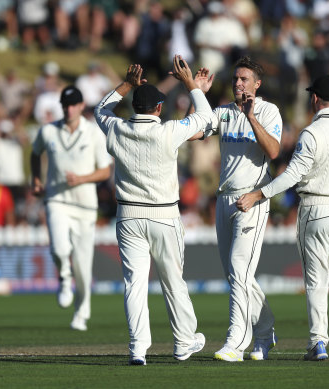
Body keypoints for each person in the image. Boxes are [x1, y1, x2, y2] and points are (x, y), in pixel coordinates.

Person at [238, 74, 329, 361]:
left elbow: (293, 175)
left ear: (314, 99)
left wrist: (259, 194)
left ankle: (318, 342)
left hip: (317, 208)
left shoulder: (311, 133)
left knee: (316, 280)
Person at [94, 57, 212, 365]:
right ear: (158, 108)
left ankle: (137, 348)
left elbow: (100, 109)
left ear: (135, 107)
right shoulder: (169, 130)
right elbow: (206, 118)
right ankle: (184, 341)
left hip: (129, 217)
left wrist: (126, 85)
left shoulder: (117, 129)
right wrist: (192, 86)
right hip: (163, 215)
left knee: (135, 283)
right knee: (173, 279)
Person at [189, 56, 281, 362]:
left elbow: (274, 151)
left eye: (244, 79)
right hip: (224, 198)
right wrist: (196, 93)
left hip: (251, 199)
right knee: (235, 275)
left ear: (257, 84)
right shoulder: (223, 112)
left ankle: (235, 343)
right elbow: (191, 131)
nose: (238, 84)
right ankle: (266, 331)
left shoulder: (269, 111)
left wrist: (252, 116)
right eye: (235, 79)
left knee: (240, 270)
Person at [30, 85, 112, 331]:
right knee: (59, 248)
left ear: (81, 106)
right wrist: (35, 179)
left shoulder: (94, 133)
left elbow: (105, 171)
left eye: (72, 105)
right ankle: (64, 279)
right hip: (56, 200)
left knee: (83, 267)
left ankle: (82, 313)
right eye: (64, 105)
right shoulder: (48, 131)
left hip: (85, 206)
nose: (68, 109)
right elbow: (35, 154)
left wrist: (81, 179)